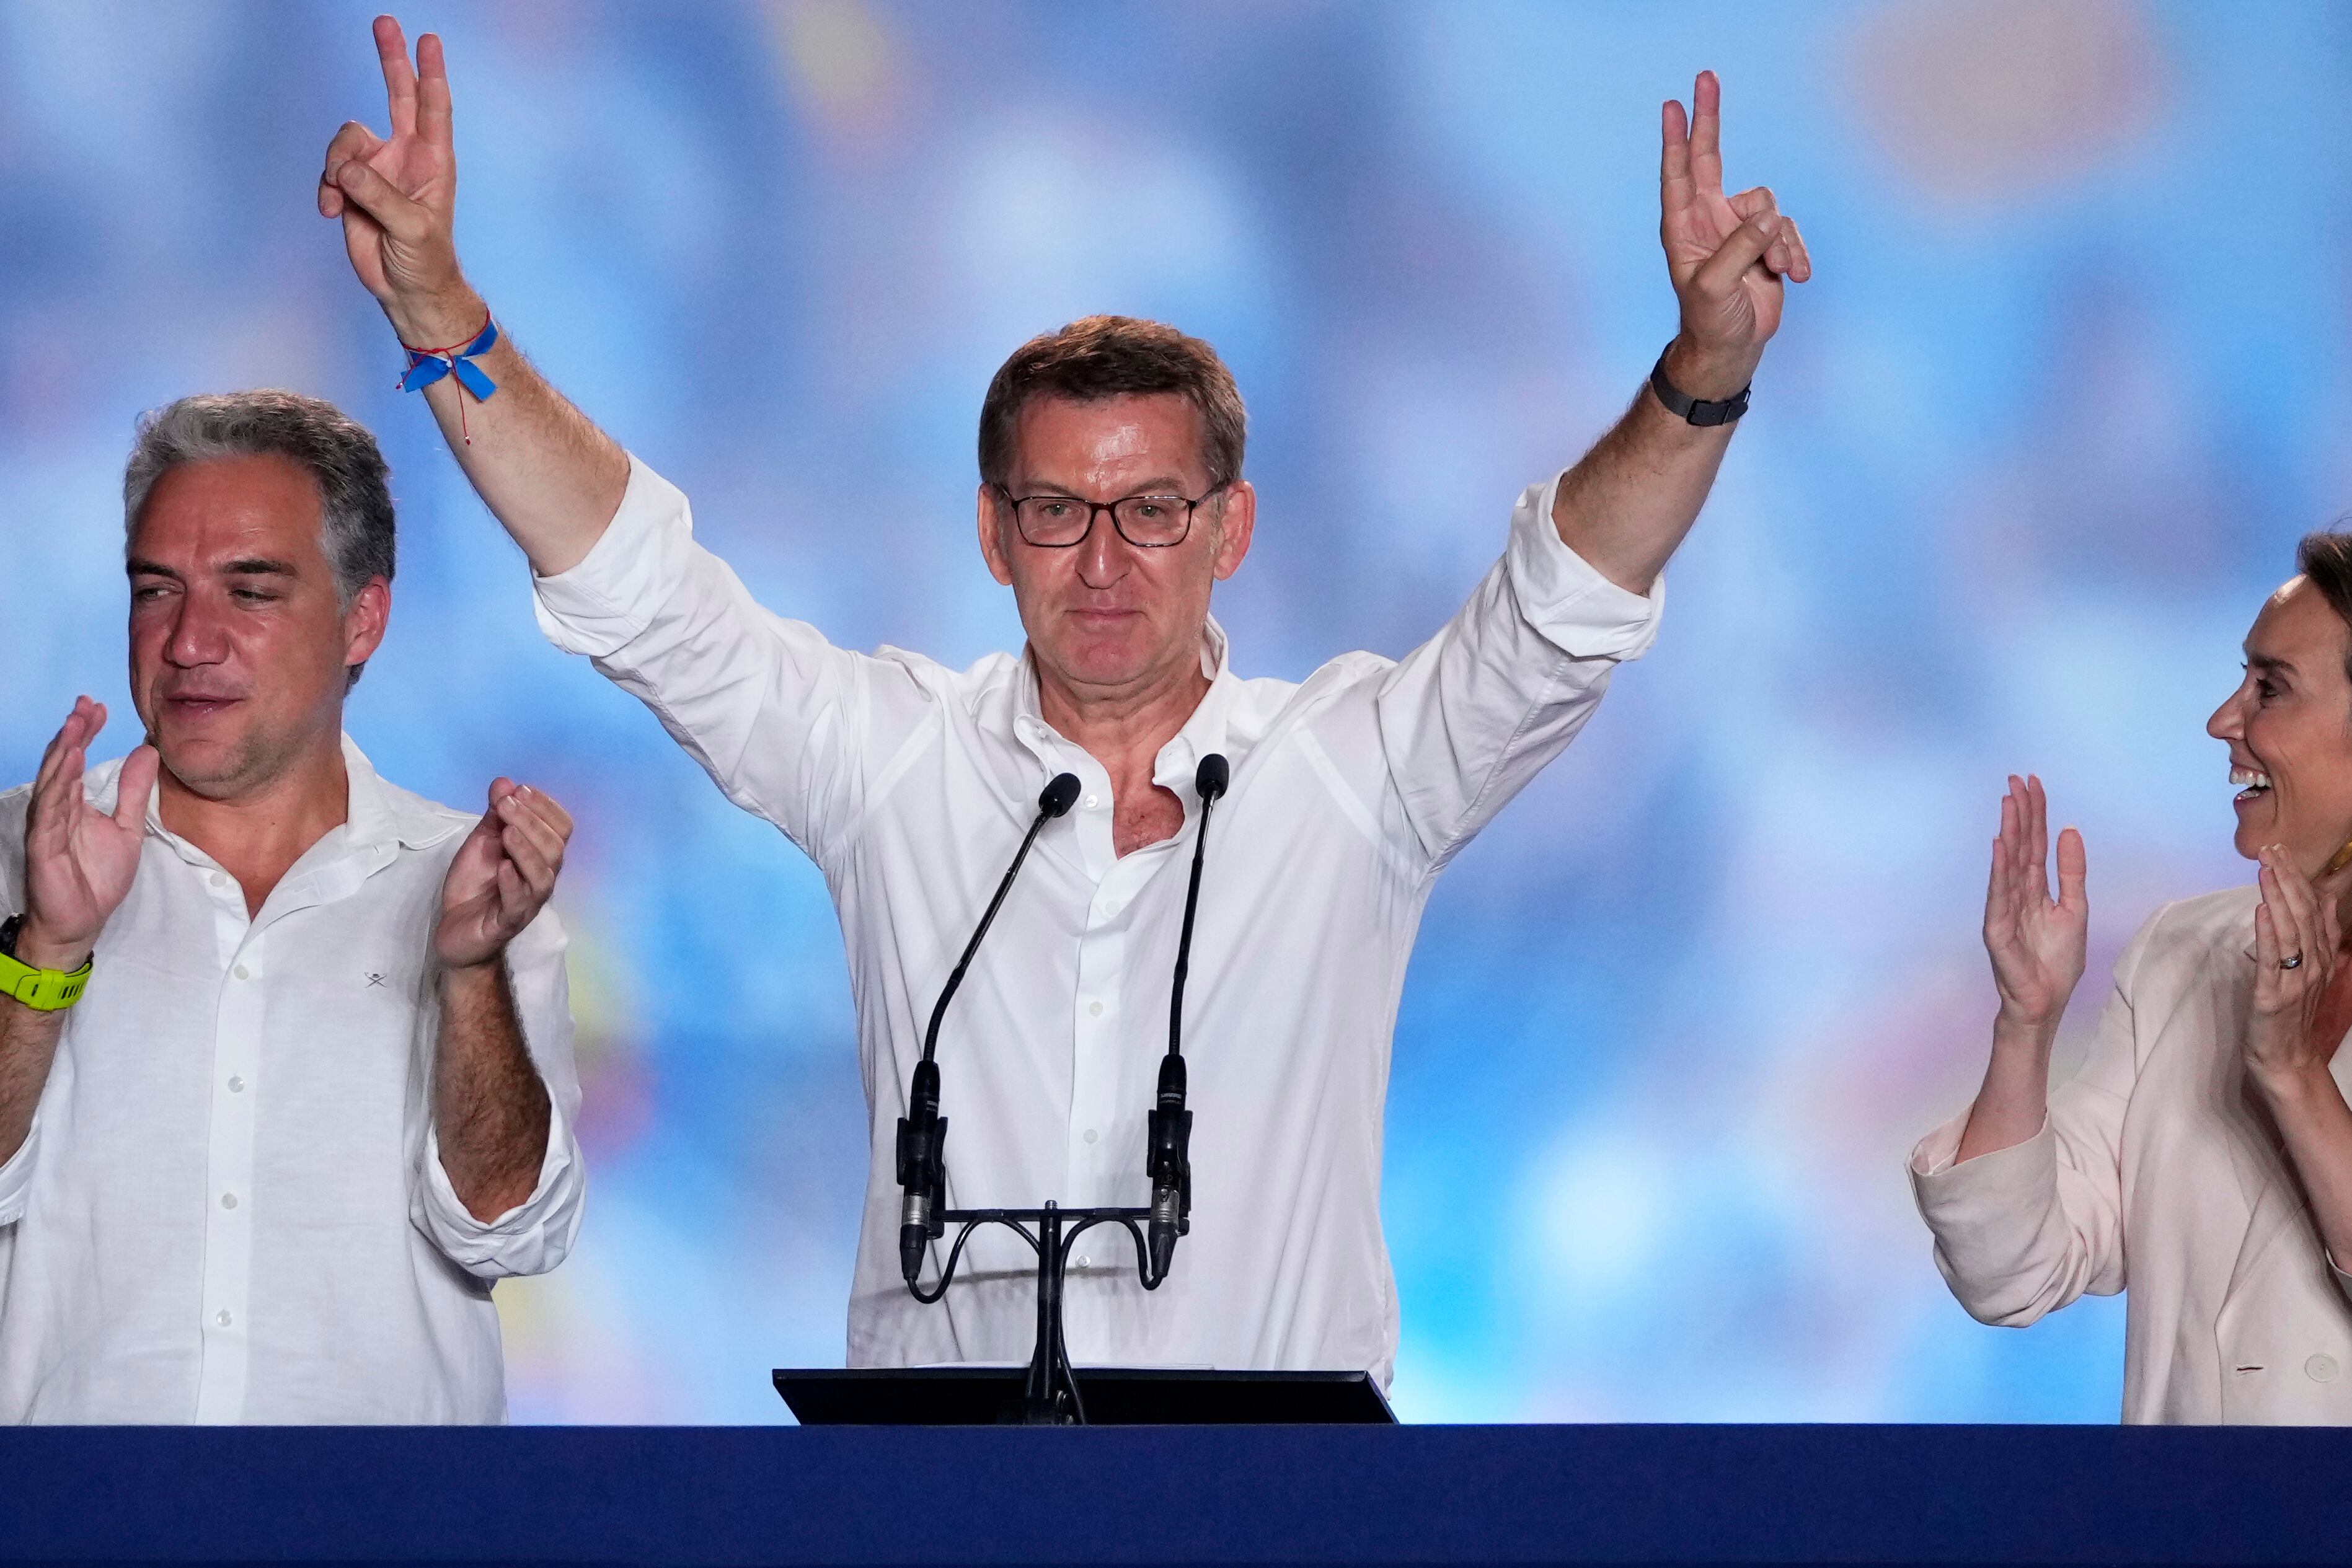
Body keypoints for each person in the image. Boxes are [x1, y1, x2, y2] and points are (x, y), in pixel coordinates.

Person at [317, 17, 1809, 1382]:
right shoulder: (892, 762)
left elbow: (1558, 608)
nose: (1103, 561)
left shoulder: (1353, 770)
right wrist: (444, 320)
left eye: (1153, 509)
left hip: (1266, 1510)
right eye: (1055, 510)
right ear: (991, 533)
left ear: (1229, 531)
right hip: (941, 1502)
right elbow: (643, 590)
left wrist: (1700, 372)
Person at [0, 390, 585, 1423]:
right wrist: (47, 952)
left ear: (363, 617)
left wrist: (467, 975)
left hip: (387, 1527)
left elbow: (510, 1229)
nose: (187, 642)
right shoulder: (20, 851)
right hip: (73, 1526)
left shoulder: (468, 882)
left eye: (250, 591)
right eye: (156, 590)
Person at [1913, 535, 2352, 1423]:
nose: (2222, 720)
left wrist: (2296, 1078)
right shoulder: (2179, 955)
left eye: (2268, 688)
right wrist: (2025, 1026)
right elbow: (2012, 1269)